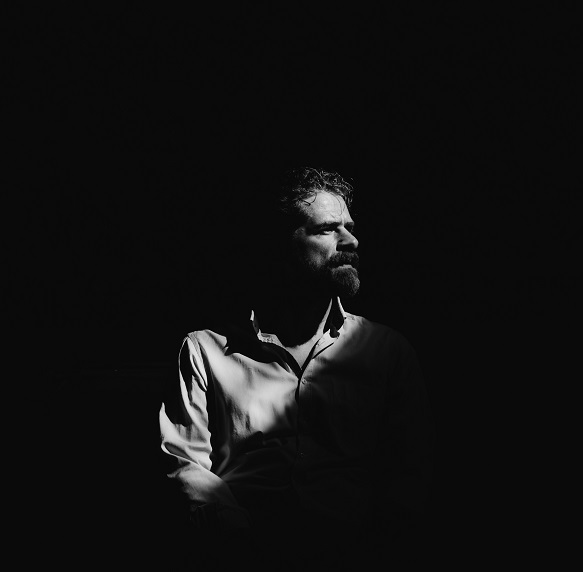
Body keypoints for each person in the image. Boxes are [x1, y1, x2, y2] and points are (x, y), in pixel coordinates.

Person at [158, 167, 434, 561]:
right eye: (327, 229)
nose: (351, 240)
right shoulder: (204, 351)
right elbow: (184, 461)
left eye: (350, 227)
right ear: (280, 244)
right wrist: (241, 542)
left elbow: (411, 470)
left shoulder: (386, 351)